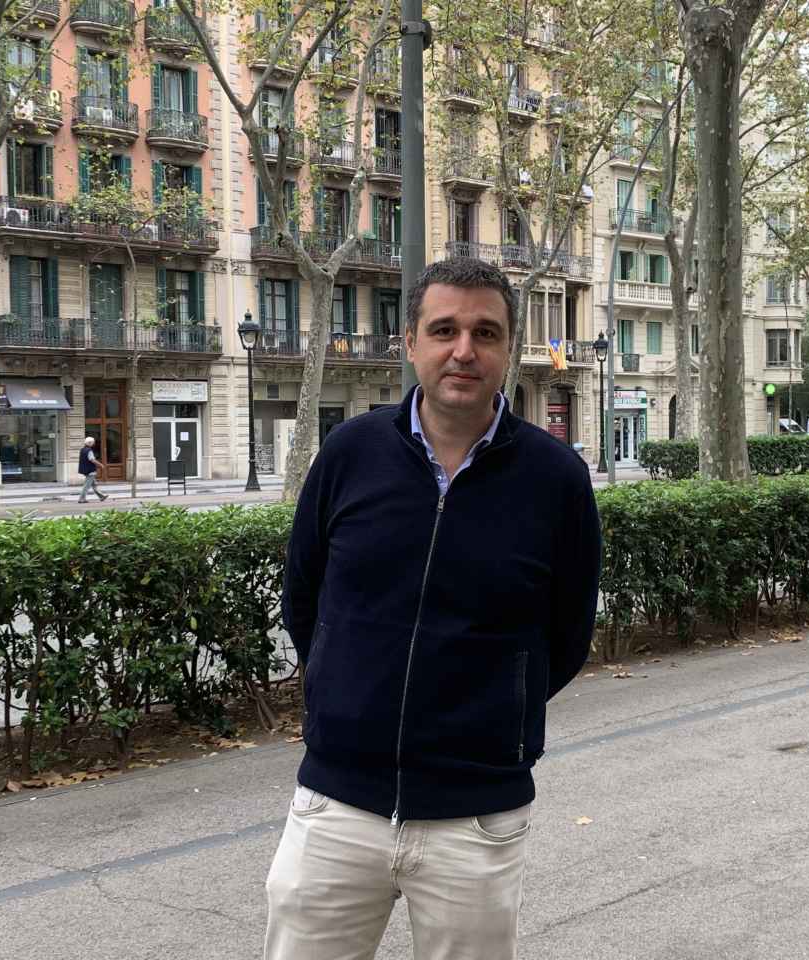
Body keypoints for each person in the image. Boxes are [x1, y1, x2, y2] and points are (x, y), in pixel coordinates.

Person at [269, 257, 603, 960]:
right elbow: (304, 597)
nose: (464, 350)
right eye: (444, 329)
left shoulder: (558, 480)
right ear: (410, 343)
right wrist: (344, 691)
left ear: (508, 348)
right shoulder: (348, 453)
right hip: (336, 808)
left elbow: (568, 635)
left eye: (486, 332)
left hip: (475, 818)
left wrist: (490, 715)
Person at [77, 436, 106, 502]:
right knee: (87, 486)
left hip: (85, 469)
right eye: (93, 442)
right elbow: (92, 460)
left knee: (94, 484)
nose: (94, 444)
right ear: (90, 443)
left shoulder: (82, 449)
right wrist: (100, 464)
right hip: (90, 470)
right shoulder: (89, 450)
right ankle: (81, 499)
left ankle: (102, 496)